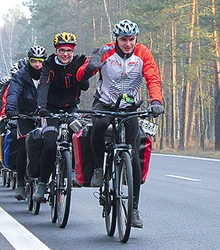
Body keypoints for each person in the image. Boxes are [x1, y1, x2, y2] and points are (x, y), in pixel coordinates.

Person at [76, 19, 164, 228]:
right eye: (123, 39)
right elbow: (80, 76)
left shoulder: (143, 53)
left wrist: (156, 101)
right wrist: (90, 67)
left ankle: (133, 209)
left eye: (131, 39)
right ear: (116, 38)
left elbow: (153, 78)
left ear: (136, 39)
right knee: (98, 126)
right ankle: (98, 167)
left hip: (128, 106)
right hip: (105, 103)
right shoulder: (105, 51)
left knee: (134, 156)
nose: (127, 43)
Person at [33, 32, 89, 202]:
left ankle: (74, 172)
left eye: (69, 51)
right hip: (50, 109)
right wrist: (41, 108)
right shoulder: (48, 65)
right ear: (56, 50)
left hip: (71, 107)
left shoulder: (78, 62)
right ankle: (42, 183)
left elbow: (85, 86)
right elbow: (43, 87)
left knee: (79, 136)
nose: (66, 54)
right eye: (62, 50)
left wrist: (85, 72)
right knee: (49, 144)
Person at [5, 45, 47, 200]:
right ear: (29, 61)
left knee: (48, 144)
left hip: (43, 112)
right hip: (25, 114)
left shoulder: (48, 73)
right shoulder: (21, 75)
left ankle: (46, 179)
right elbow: (14, 92)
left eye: (40, 61)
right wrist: (11, 109)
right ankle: (21, 183)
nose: (37, 64)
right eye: (34, 61)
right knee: (23, 147)